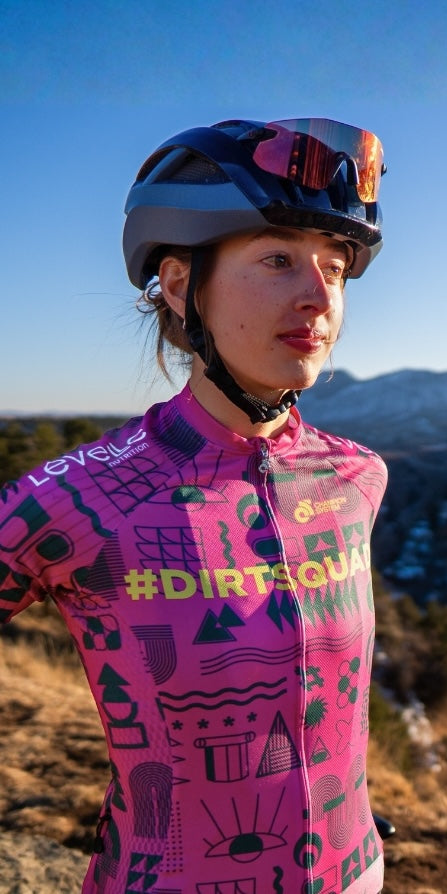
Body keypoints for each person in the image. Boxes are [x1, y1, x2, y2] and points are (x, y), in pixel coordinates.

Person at [0, 117, 388, 894]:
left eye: (336, 268)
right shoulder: (75, 500)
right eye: (278, 259)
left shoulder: (357, 477)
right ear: (180, 286)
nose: (318, 296)